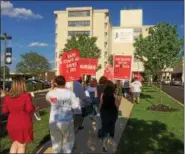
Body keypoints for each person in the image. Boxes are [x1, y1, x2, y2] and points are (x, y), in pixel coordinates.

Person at [2, 77, 38, 154]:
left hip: (11, 123)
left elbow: (5, 110)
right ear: (22, 85)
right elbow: (29, 109)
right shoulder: (26, 95)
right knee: (21, 145)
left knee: (14, 143)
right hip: (23, 123)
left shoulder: (7, 97)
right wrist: (35, 107)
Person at [46, 76, 81, 153]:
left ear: (55, 83)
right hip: (67, 121)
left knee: (56, 145)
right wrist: (77, 100)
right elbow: (75, 106)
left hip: (54, 122)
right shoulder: (70, 93)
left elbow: (50, 101)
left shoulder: (50, 93)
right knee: (68, 145)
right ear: (65, 83)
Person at [99, 80, 120, 152]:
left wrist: (99, 111)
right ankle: (111, 142)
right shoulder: (114, 95)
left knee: (105, 127)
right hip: (112, 113)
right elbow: (117, 105)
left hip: (104, 112)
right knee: (111, 127)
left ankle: (104, 143)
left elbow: (101, 104)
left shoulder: (103, 94)